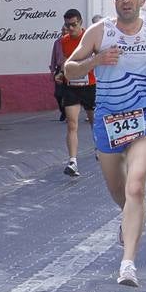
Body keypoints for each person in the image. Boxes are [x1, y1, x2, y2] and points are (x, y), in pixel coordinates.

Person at [64, 0, 146, 287]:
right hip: (108, 120)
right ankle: (132, 215)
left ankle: (128, 264)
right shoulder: (99, 32)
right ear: (114, 0)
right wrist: (95, 60)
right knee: (120, 192)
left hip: (144, 117)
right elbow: (69, 68)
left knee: (136, 187)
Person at [51, 9, 92, 176]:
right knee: (72, 124)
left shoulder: (89, 38)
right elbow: (63, 64)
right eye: (67, 25)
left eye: (74, 25)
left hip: (90, 85)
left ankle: (101, 150)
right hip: (71, 86)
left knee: (94, 122)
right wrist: (60, 74)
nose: (71, 28)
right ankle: (73, 161)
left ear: (81, 23)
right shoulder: (63, 41)